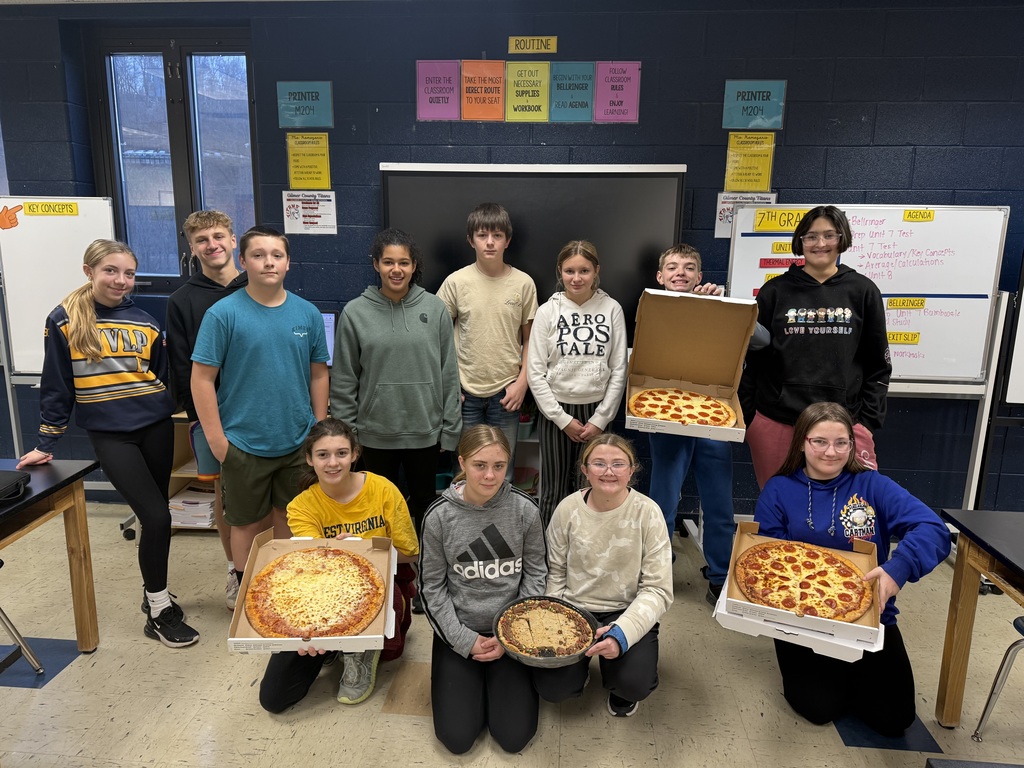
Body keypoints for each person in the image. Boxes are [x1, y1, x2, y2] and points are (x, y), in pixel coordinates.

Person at [17, 239, 199, 648]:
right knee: (155, 518)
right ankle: (158, 611)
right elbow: (57, 383)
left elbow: (159, 371)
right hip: (111, 436)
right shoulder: (63, 320)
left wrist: (169, 404)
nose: (121, 280)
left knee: (160, 515)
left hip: (155, 425)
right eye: (111, 271)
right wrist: (48, 439)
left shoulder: (145, 319)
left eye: (129, 273)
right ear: (90, 271)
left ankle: (155, 593)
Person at [754, 401, 951, 736]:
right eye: (820, 441)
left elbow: (933, 529)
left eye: (841, 442)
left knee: (894, 719)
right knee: (819, 708)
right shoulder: (779, 489)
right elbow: (768, 561)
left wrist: (898, 568)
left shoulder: (874, 486)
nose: (831, 452)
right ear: (802, 442)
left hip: (869, 615)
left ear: (852, 445)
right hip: (804, 619)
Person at [191, 226, 330, 586]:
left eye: (277, 255)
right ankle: (244, 585)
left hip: (297, 440)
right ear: (243, 261)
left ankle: (283, 587)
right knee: (246, 523)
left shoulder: (308, 314)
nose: (268, 262)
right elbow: (201, 379)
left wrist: (317, 429)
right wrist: (219, 441)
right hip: (243, 442)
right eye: (258, 255)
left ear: (288, 263)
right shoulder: (223, 314)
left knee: (291, 518)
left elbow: (318, 375)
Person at [258, 418, 419, 712]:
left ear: (355, 454)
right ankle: (335, 645)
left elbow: (410, 553)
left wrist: (364, 550)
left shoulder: (383, 490)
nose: (333, 463)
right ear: (309, 459)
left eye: (341, 453)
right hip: (321, 597)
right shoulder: (301, 507)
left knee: (387, 643)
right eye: (323, 455)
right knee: (274, 698)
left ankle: (359, 653)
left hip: (377, 585)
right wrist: (308, 631)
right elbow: (312, 572)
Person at [646, 243, 769, 604]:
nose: (679, 273)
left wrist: (724, 304)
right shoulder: (651, 307)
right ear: (660, 276)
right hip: (665, 414)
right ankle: (657, 570)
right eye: (672, 267)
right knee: (662, 501)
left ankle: (719, 574)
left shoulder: (719, 304)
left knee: (718, 504)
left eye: (688, 267)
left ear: (699, 276)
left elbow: (763, 339)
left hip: (712, 414)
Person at [740, 205, 891, 488]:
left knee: (848, 511)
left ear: (842, 238)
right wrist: (751, 418)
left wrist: (866, 422)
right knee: (781, 508)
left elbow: (877, 364)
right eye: (811, 236)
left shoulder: (862, 291)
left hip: (844, 425)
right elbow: (751, 359)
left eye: (829, 235)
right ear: (800, 242)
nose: (820, 244)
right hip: (777, 422)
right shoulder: (774, 292)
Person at [418, 425, 547, 754]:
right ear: (462, 462)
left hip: (512, 630)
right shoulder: (439, 516)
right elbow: (431, 588)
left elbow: (535, 575)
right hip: (460, 628)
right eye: (479, 465)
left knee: (514, 738)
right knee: (457, 739)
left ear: (508, 464)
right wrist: (464, 640)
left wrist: (511, 635)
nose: (490, 476)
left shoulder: (524, 510)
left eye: (499, 466)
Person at [330, 227, 461, 547]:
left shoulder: (435, 308)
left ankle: (425, 569)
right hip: (374, 433)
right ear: (376, 264)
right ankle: (386, 573)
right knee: (378, 510)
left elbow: (449, 373)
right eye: (388, 262)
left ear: (414, 265)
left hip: (424, 430)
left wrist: (450, 428)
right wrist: (349, 435)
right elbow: (345, 378)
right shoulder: (355, 312)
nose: (396, 270)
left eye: (404, 262)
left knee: (424, 503)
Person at [534, 434, 673, 718]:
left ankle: (621, 687)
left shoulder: (648, 513)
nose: (609, 472)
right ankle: (578, 674)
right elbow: (554, 573)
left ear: (632, 471)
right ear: (585, 470)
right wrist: (557, 620)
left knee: (634, 683)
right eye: (599, 463)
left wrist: (623, 633)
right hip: (573, 610)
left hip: (624, 610)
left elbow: (657, 589)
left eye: (618, 464)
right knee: (552, 689)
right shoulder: (568, 510)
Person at [165, 209, 248, 610]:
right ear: (192, 248)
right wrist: (199, 418)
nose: (212, 245)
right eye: (202, 240)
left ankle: (271, 567)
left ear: (233, 240)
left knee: (274, 498)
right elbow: (182, 365)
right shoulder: (183, 300)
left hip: (267, 408)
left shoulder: (262, 285)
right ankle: (236, 571)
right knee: (226, 494)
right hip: (217, 414)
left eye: (218, 236)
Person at [526, 239, 627, 525]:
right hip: (556, 413)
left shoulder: (611, 309)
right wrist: (561, 419)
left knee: (591, 489)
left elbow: (619, 369)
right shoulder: (548, 311)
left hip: (596, 412)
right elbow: (535, 371)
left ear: (596, 271)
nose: (577, 278)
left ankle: (585, 553)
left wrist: (600, 419)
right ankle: (547, 560)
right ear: (560, 271)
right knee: (553, 492)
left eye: (584, 270)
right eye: (570, 271)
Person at [437, 203, 538, 481]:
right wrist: (449, 386)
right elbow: (437, 338)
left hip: (506, 394)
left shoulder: (523, 284)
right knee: (466, 470)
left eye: (497, 235)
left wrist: (522, 383)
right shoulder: (456, 282)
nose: (490, 242)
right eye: (482, 235)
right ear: (471, 240)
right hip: (464, 394)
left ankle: (499, 525)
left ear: (508, 240)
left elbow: (531, 340)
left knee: (501, 470)